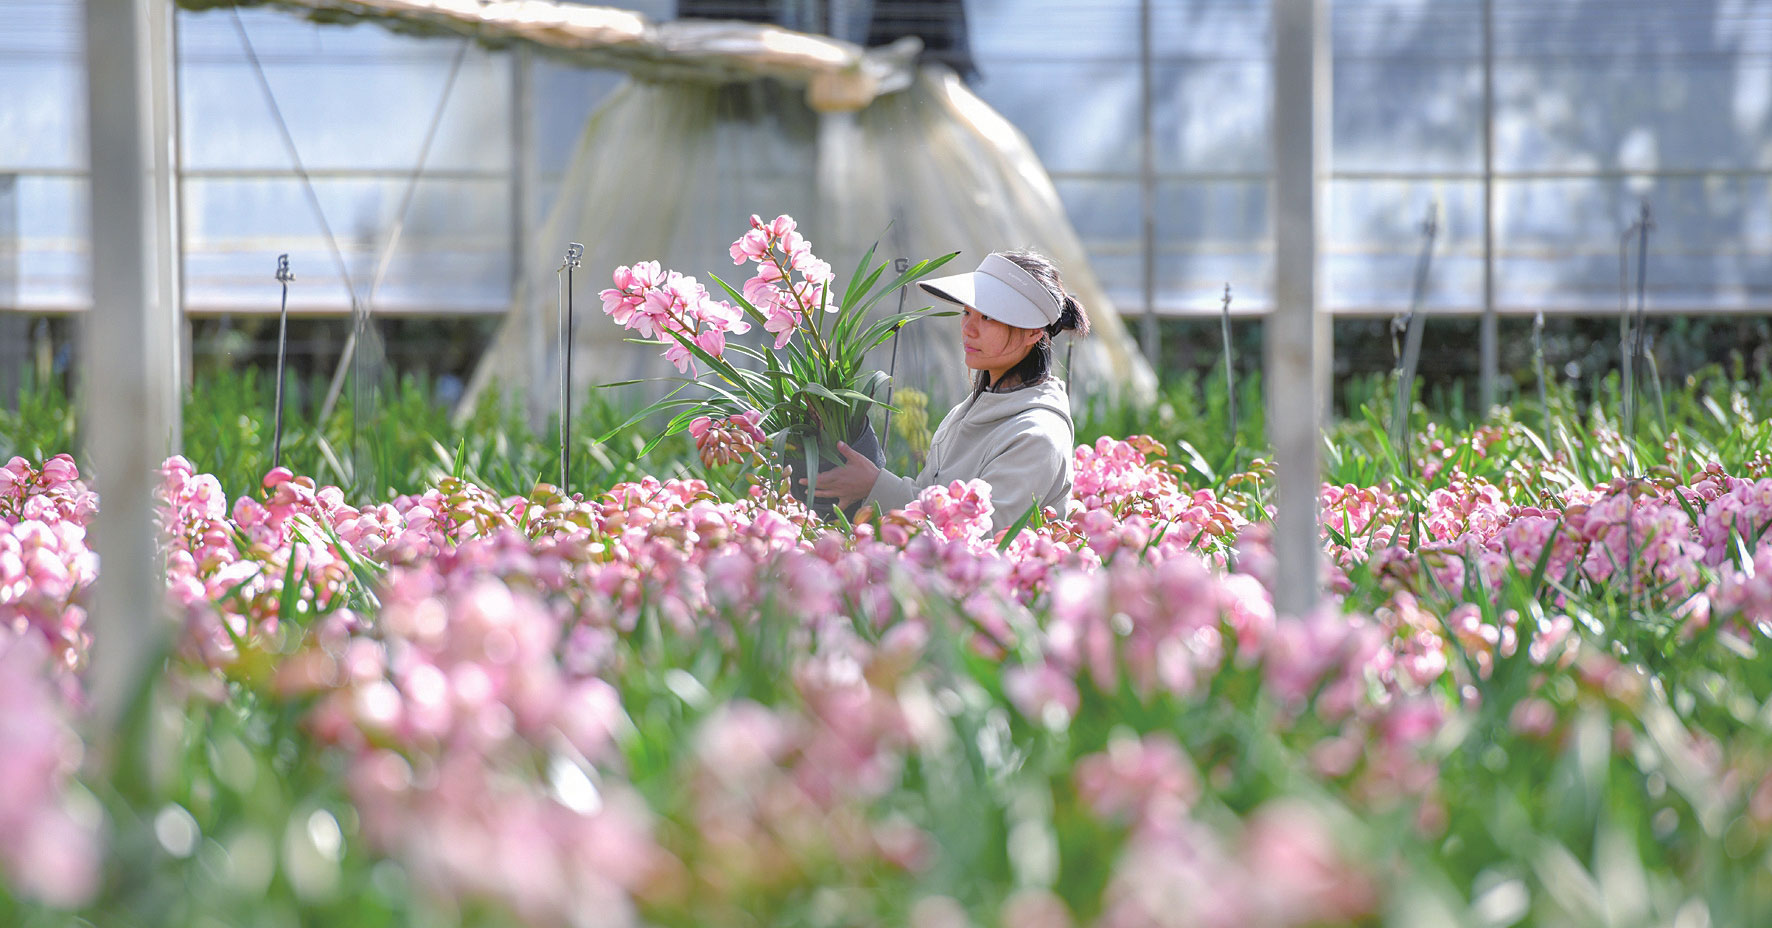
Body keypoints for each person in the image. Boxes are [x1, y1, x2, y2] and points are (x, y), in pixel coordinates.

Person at [807, 250, 1088, 531]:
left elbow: (982, 539)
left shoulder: (1036, 437)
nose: (968, 328)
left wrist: (875, 485)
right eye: (967, 311)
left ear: (1033, 332)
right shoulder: (965, 412)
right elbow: (928, 503)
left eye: (988, 317)